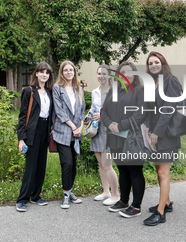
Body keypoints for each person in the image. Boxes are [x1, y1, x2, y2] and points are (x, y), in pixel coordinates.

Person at [101, 61, 147, 218]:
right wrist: (110, 125)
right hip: (115, 138)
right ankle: (124, 200)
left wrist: (121, 126)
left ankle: (137, 206)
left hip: (131, 138)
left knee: (135, 171)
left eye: (129, 72)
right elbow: (103, 111)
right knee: (122, 169)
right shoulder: (113, 90)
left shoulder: (139, 90)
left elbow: (140, 113)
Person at [142, 51, 182, 226]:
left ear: (163, 63)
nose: (153, 65)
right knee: (159, 171)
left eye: (156, 62)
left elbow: (169, 108)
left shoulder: (170, 81)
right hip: (155, 134)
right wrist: (149, 131)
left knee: (162, 173)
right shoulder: (152, 83)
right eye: (150, 63)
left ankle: (160, 213)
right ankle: (166, 202)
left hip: (167, 134)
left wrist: (157, 132)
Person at [16, 62, 54, 212]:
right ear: (36, 73)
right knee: (30, 167)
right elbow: (22, 116)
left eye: (47, 72)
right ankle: (22, 199)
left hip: (45, 131)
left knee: (41, 166)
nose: (44, 74)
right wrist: (21, 139)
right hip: (32, 131)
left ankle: (36, 196)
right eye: (41, 71)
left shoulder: (50, 92)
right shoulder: (29, 91)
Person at [52, 60, 86, 209]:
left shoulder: (78, 88)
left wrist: (81, 127)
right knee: (67, 163)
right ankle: (65, 194)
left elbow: (82, 110)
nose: (68, 72)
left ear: (74, 72)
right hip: (63, 131)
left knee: (73, 165)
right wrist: (73, 127)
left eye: (71, 70)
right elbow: (59, 111)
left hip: (76, 133)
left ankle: (70, 191)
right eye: (65, 70)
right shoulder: (57, 88)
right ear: (61, 72)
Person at [87, 65, 119, 206]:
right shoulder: (95, 92)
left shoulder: (114, 92)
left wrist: (103, 115)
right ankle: (105, 191)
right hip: (96, 130)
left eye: (104, 73)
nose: (101, 76)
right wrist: (87, 117)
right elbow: (93, 108)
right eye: (99, 73)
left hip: (109, 131)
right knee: (100, 164)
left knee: (107, 165)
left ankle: (115, 194)